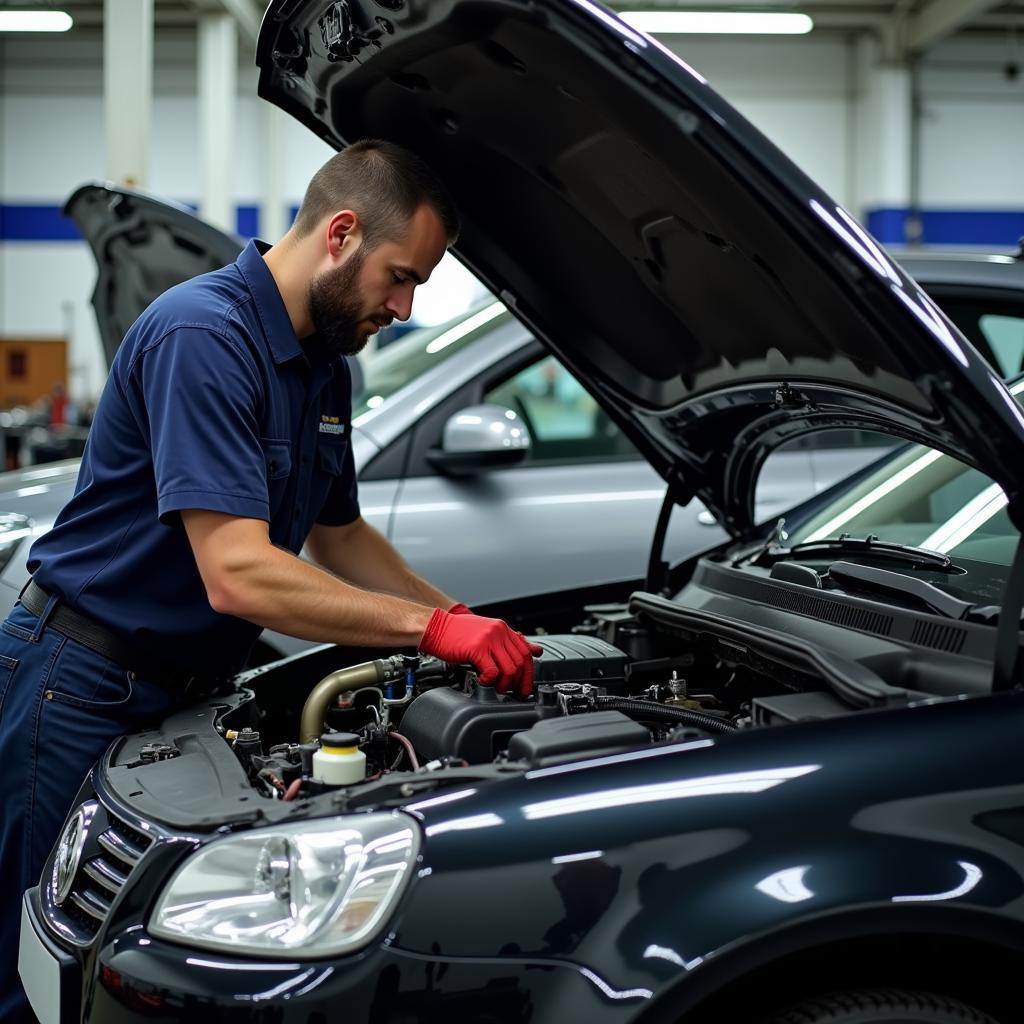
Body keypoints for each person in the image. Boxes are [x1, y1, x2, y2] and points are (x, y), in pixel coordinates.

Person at [0, 139, 541, 1020]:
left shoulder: (326, 366)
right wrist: (432, 633)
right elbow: (238, 574)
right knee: (46, 979)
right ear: (340, 234)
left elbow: (343, 539)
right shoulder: (203, 334)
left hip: (178, 695)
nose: (403, 307)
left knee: (129, 971)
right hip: (78, 682)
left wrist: (468, 623)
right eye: (400, 278)